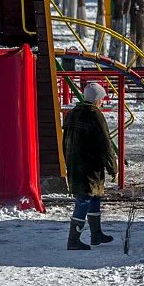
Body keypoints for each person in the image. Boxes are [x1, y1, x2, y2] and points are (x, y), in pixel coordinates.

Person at [62, 82, 117, 251]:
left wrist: (67, 159)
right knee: (85, 198)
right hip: (90, 164)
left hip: (74, 161)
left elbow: (65, 139)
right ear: (97, 100)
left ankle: (96, 234)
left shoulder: (72, 113)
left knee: (94, 196)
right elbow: (105, 143)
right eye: (101, 99)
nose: (101, 102)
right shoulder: (95, 115)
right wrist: (112, 166)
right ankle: (74, 240)